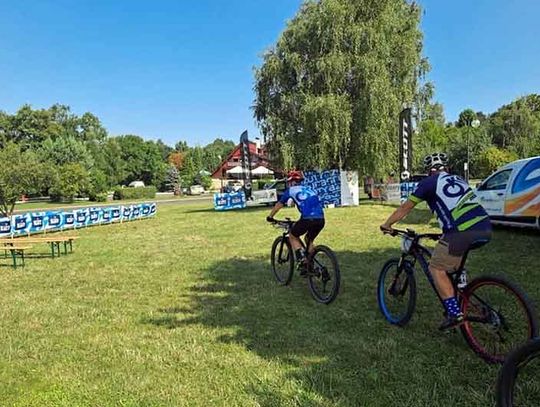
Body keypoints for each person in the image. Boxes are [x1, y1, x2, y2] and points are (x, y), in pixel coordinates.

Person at [380, 153, 492, 330]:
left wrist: (387, 224)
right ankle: (462, 292)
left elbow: (404, 208)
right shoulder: (459, 179)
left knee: (436, 268)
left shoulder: (427, 183)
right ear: (446, 168)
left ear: (429, 171)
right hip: (485, 227)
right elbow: (453, 207)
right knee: (452, 262)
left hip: (460, 232)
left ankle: (455, 313)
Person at [266, 170, 325, 275]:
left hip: (307, 219)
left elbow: (278, 205)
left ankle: (302, 261)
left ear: (291, 182)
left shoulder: (290, 190)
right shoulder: (310, 189)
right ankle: (310, 263)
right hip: (320, 219)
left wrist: (270, 217)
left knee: (293, 235)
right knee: (309, 239)